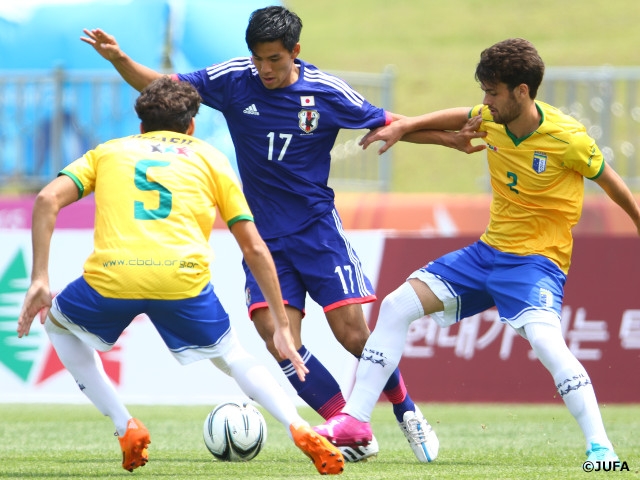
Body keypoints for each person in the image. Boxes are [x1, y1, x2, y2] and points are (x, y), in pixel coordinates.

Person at [76, 5, 469, 462]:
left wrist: (447, 138)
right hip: (265, 238)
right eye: (258, 58)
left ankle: (407, 412)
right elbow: (166, 91)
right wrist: (119, 59)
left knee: (354, 336)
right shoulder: (233, 79)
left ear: (295, 52)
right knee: (278, 338)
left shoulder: (324, 91)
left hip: (317, 231)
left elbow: (390, 124)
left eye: (275, 60)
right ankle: (348, 424)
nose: (264, 69)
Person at [313, 38, 640, 464]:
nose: (484, 101)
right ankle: (356, 420)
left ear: (522, 91)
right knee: (396, 306)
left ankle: (602, 448)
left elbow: (612, 183)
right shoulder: (493, 118)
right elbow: (459, 115)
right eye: (484, 91)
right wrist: (403, 126)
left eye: (492, 92)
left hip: (535, 264)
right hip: (485, 255)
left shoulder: (569, 139)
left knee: (546, 341)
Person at [16, 77, 345, 475]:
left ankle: (125, 425)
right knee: (233, 357)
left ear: (141, 126)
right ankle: (299, 427)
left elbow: (47, 199)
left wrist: (40, 278)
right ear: (191, 126)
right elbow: (255, 247)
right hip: (182, 282)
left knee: (59, 327)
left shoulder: (108, 152)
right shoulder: (210, 159)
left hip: (113, 276)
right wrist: (279, 323)